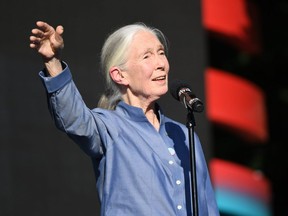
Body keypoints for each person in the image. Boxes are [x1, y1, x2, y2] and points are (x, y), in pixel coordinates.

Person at [29, 21, 219, 216]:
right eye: (147, 56)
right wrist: (53, 62)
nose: (161, 64)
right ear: (119, 75)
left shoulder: (185, 136)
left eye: (161, 53)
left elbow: (209, 208)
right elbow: (72, 118)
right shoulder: (108, 127)